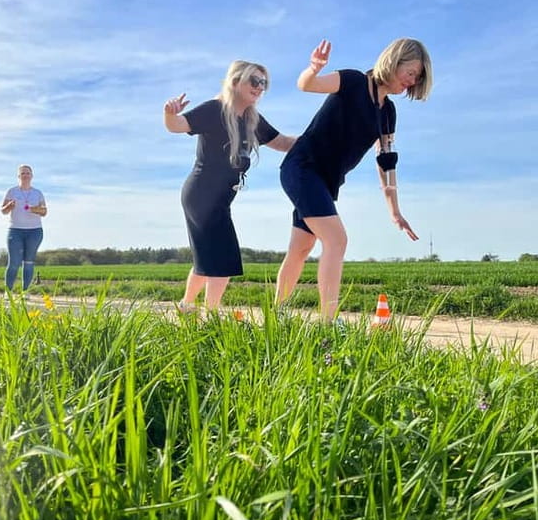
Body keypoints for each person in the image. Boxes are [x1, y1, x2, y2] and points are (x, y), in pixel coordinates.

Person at [275, 38, 433, 320]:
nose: (412, 81)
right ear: (395, 61)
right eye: (411, 73)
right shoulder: (352, 81)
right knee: (337, 240)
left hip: (327, 181)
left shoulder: (387, 113)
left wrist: (395, 211)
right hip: (302, 167)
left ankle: (276, 316)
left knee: (301, 248)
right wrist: (314, 68)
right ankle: (328, 326)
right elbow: (306, 85)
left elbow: (386, 162)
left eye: (417, 78)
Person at [163, 60, 296, 310]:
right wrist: (169, 114)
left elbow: (284, 143)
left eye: (264, 83)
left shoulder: (252, 120)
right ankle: (210, 315)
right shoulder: (215, 109)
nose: (260, 87)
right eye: (254, 81)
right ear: (235, 82)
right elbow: (177, 125)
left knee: (207, 258)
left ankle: (186, 306)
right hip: (201, 194)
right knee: (222, 259)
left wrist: (321, 138)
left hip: (219, 199)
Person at [1, 164, 47, 291]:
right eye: (23, 173)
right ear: (18, 176)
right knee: (14, 263)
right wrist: (9, 206)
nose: (25, 175)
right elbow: (3, 210)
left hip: (34, 231)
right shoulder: (12, 191)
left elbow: (44, 212)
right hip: (15, 230)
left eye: (28, 173)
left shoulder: (37, 193)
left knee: (28, 262)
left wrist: (34, 209)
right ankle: (8, 292)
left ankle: (25, 292)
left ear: (31, 176)